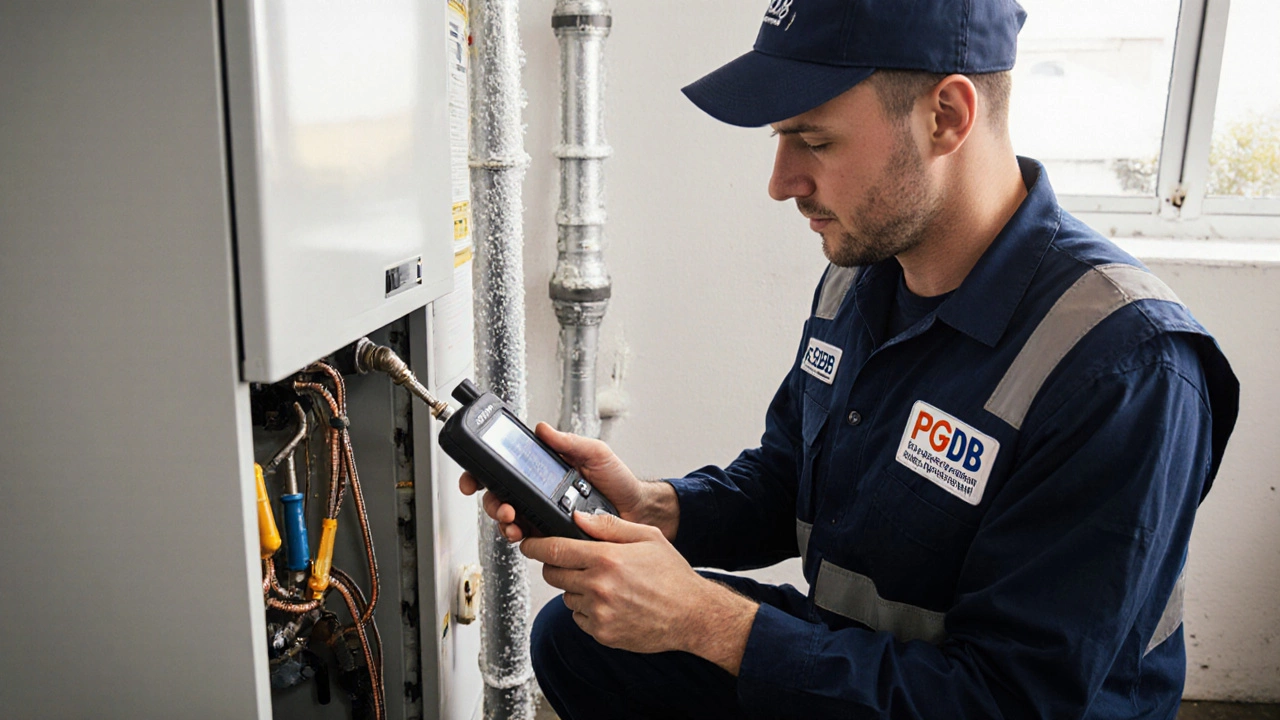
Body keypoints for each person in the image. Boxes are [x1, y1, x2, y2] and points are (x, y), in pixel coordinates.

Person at [459, 0, 1240, 717]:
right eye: (780, 140)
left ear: (947, 115)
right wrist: (658, 508)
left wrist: (710, 624)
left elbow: (1011, 698)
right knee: (582, 633)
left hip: (981, 701)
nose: (781, 183)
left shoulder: (1125, 366)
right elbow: (794, 474)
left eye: (815, 139)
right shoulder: (861, 276)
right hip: (875, 674)